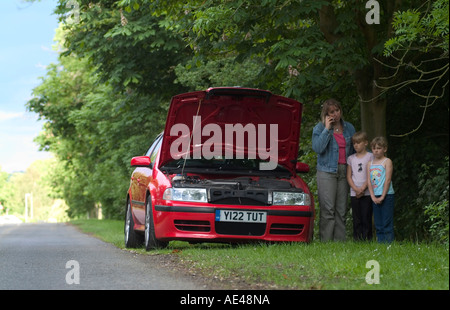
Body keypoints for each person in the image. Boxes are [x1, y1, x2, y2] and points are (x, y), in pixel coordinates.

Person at [312, 98, 355, 241]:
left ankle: (340, 243)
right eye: (332, 112)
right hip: (326, 172)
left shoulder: (349, 127)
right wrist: (326, 129)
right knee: (328, 210)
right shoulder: (319, 128)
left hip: (344, 171)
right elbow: (318, 148)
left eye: (337, 110)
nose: (335, 114)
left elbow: (355, 150)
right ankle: (326, 243)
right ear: (326, 114)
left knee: (341, 210)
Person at [367, 136, 395, 243]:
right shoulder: (370, 163)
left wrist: (383, 196)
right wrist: (373, 196)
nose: (376, 150)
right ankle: (381, 245)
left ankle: (389, 245)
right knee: (378, 223)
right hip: (375, 196)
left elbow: (387, 180)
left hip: (387, 195)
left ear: (385, 149)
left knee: (387, 222)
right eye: (374, 148)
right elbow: (369, 181)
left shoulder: (387, 161)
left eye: (379, 148)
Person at [346, 131, 374, 241]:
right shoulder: (351, 158)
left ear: (366, 143)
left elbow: (372, 174)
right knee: (356, 218)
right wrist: (356, 189)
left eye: (358, 142)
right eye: (354, 143)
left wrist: (363, 188)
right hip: (354, 192)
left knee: (366, 216)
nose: (356, 145)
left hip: (367, 192)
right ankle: (357, 239)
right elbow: (349, 176)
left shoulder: (370, 156)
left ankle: (368, 239)